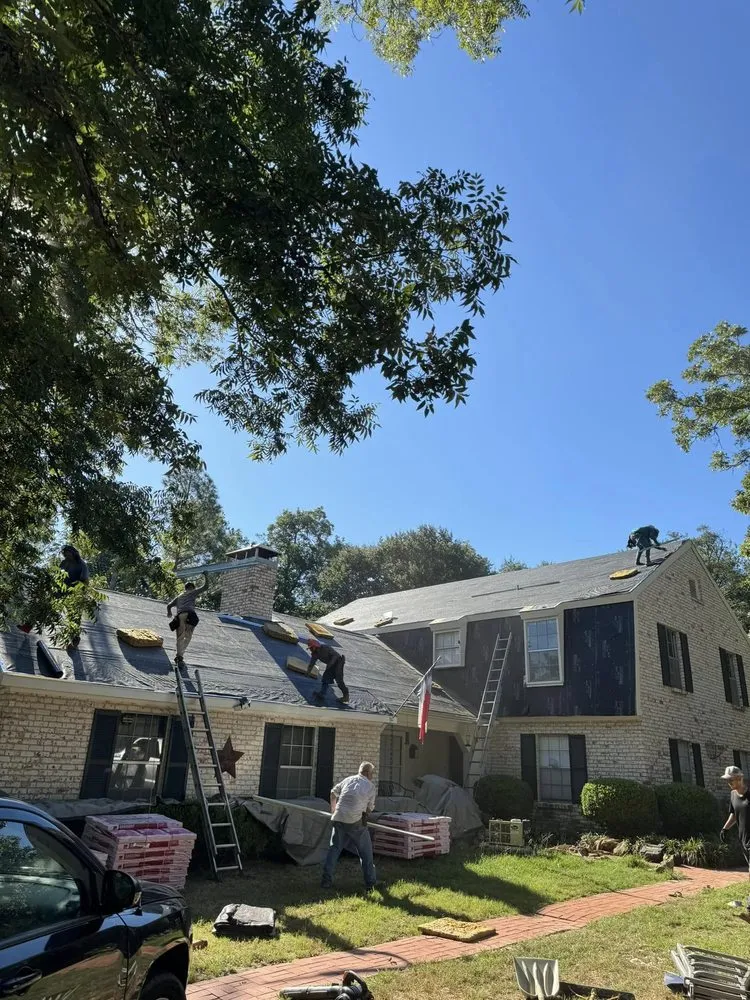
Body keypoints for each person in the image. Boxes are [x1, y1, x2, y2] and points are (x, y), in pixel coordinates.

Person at [322, 762, 378, 891]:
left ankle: (326, 881)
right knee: (366, 852)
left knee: (334, 849)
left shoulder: (348, 780)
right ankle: (370, 883)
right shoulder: (370, 786)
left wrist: (333, 809)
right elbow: (369, 808)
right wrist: (364, 816)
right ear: (368, 773)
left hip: (338, 817)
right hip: (355, 821)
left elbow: (333, 793)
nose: (372, 776)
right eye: (372, 773)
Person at [166, 575, 208, 668]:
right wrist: (206, 576)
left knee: (180, 637)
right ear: (192, 588)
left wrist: (169, 613)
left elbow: (169, 605)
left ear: (185, 588)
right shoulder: (192, 592)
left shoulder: (179, 596)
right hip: (190, 616)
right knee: (188, 637)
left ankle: (179, 656)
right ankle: (180, 656)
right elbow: (206, 587)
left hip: (180, 616)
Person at [720, 764, 750, 876]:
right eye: (727, 780)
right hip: (743, 838)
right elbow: (733, 814)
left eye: (731, 779)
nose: (728, 783)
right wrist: (725, 829)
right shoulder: (733, 795)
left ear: (740, 778)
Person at [59, 544, 90, 648]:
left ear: (74, 553)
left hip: (74, 594)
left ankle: (74, 640)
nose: (66, 556)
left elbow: (85, 582)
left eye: (68, 554)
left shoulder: (81, 565)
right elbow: (58, 576)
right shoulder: (64, 563)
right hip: (61, 591)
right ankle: (28, 625)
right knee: (44, 603)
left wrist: (81, 596)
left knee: (74, 618)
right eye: (65, 554)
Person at [307, 638, 349, 703]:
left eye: (311, 647)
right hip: (330, 664)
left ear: (315, 646)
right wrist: (308, 672)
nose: (310, 649)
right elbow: (312, 663)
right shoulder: (315, 654)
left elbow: (335, 656)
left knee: (339, 680)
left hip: (338, 662)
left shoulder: (325, 648)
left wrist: (330, 665)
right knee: (325, 678)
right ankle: (322, 694)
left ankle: (346, 696)